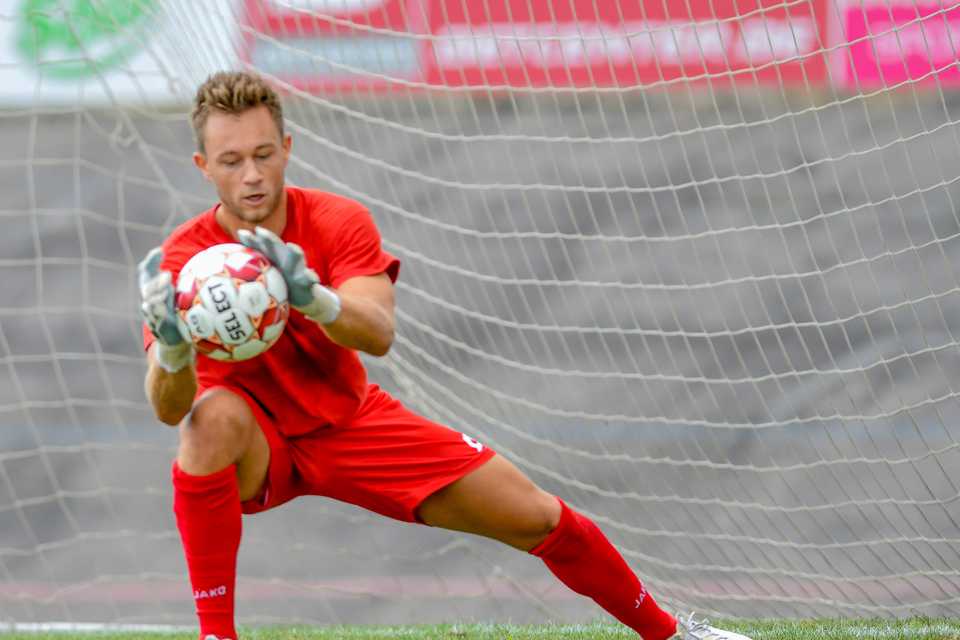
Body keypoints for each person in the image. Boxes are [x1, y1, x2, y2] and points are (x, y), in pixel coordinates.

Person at [137, 70, 754, 640]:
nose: (251, 175)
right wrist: (171, 350)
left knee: (537, 516)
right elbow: (170, 411)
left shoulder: (335, 220)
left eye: (264, 155)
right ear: (203, 165)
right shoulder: (184, 263)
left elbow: (377, 331)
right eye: (232, 160)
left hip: (351, 423)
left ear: (288, 148)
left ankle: (672, 635)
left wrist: (314, 300)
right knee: (210, 417)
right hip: (258, 443)